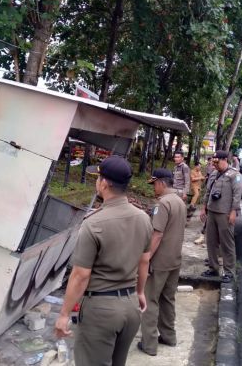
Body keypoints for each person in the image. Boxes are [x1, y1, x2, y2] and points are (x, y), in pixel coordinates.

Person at [54, 156, 153, 366]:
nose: (96, 182)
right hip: (130, 307)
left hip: (101, 312)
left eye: (98, 177)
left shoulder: (94, 223)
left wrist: (64, 314)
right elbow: (145, 261)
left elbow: (81, 275)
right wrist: (140, 292)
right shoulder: (143, 218)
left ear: (105, 183)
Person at [138, 169, 187, 356]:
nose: (154, 189)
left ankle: (149, 345)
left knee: (149, 301)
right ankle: (169, 336)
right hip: (174, 259)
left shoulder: (163, 203)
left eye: (155, 185)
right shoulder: (179, 201)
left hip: (159, 261)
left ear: (161, 183)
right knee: (168, 299)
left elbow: (157, 234)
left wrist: (146, 258)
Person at [201, 150, 242, 283]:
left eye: (217, 162)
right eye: (214, 162)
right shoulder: (214, 173)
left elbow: (237, 195)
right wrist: (204, 208)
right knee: (211, 241)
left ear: (224, 159)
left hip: (225, 213)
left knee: (227, 243)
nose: (215, 165)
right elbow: (208, 191)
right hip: (212, 211)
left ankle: (229, 272)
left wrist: (233, 211)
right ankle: (213, 268)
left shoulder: (235, 175)